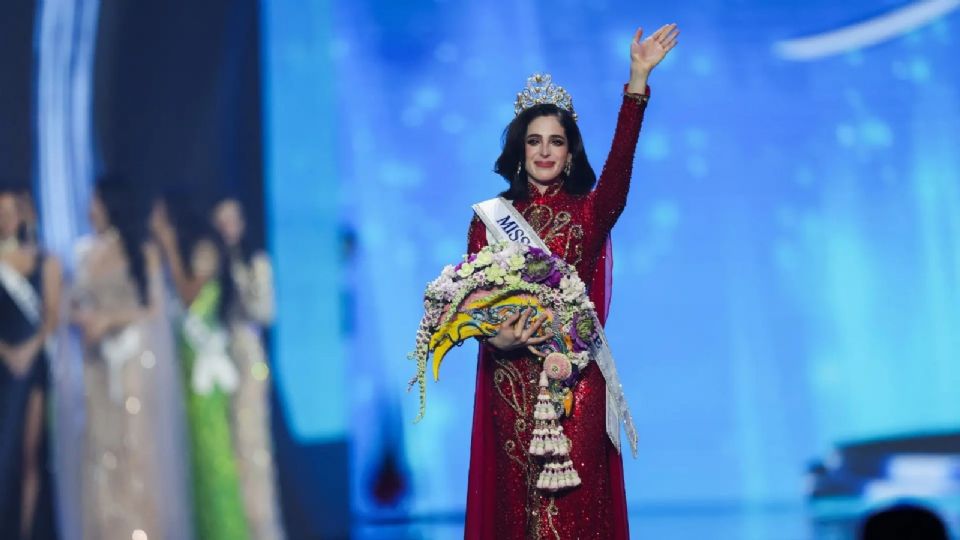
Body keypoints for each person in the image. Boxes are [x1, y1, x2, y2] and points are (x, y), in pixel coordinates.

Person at [463, 24, 678, 539]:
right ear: (519, 149)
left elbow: (620, 172)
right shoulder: (490, 219)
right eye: (534, 141)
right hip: (511, 380)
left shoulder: (589, 213)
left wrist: (637, 82)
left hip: (575, 383)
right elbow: (472, 303)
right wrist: (498, 335)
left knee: (571, 515)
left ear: (570, 152)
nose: (544, 151)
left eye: (555, 142)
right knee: (519, 509)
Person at [73, 176, 193, 540]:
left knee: (135, 453)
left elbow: (154, 308)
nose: (91, 208)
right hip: (96, 364)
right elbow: (70, 304)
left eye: (96, 201)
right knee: (100, 454)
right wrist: (83, 319)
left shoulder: (143, 252)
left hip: (130, 364)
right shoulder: (85, 252)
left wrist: (111, 319)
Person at [153, 199, 250, 540]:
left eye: (161, 216)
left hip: (207, 373)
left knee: (214, 458)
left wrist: (168, 248)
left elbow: (189, 296)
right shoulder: (190, 250)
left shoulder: (205, 249)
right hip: (190, 365)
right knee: (195, 460)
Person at [211, 197, 285, 540]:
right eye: (220, 219)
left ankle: (259, 529)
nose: (227, 226)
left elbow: (266, 313)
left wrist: (243, 285)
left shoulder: (255, 263)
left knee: (251, 443)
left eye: (232, 218)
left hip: (247, 357)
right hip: (212, 358)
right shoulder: (210, 263)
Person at [0, 182, 61, 540]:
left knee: (29, 454)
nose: (5, 219)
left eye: (10, 211)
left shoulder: (43, 259)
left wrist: (27, 350)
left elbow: (52, 316)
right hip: (2, 365)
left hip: (32, 367)